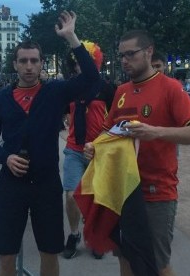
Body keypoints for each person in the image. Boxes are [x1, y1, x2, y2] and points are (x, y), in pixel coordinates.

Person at [0, 11, 100, 276]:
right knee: (6, 253)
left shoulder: (54, 92)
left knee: (50, 251)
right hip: (11, 184)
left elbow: (92, 79)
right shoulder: (2, 99)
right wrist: (5, 158)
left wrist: (72, 37)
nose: (28, 66)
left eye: (34, 61)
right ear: (15, 64)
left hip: (46, 184)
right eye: (23, 61)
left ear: (41, 64)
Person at [83, 30, 190, 276]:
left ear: (149, 51)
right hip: (122, 190)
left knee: (157, 264)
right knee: (125, 258)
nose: (125, 60)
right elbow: (108, 133)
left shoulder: (170, 88)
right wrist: (93, 147)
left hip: (156, 193)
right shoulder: (121, 91)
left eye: (131, 54)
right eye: (121, 56)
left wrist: (156, 132)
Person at [62, 41, 115, 260]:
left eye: (87, 62)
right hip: (74, 149)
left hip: (99, 151)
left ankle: (93, 235)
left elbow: (116, 120)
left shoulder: (107, 89)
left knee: (97, 197)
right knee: (71, 195)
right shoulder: (70, 88)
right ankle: (74, 234)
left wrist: (102, 144)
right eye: (77, 63)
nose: (80, 67)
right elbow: (65, 114)